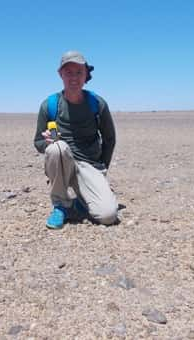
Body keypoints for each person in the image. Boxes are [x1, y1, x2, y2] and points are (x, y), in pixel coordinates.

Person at [33, 51, 118, 229]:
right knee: (57, 148)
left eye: (79, 72)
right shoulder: (50, 105)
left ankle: (80, 201)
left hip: (90, 165)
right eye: (69, 72)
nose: (74, 78)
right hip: (62, 163)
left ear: (86, 74)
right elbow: (38, 143)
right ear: (60, 75)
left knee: (108, 216)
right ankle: (61, 205)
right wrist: (48, 143)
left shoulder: (97, 104)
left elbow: (109, 139)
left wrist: (102, 169)